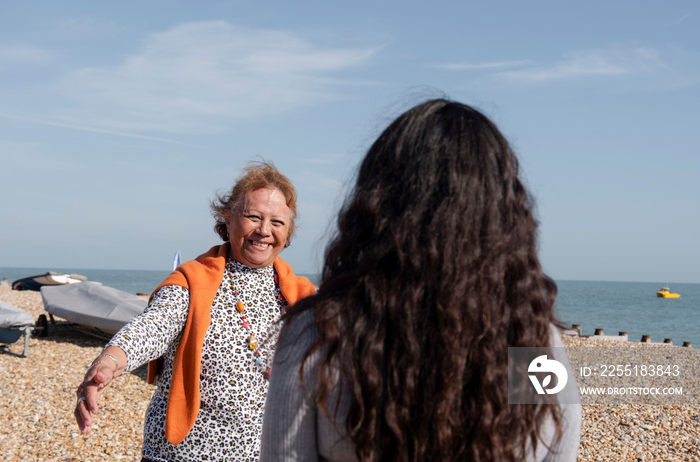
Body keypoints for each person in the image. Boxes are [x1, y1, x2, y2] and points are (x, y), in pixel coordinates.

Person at [260, 99, 582, 461]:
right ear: (503, 214)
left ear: (377, 203)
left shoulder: (318, 333)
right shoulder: (530, 338)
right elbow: (558, 451)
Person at [75, 161, 317, 461]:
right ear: (228, 220)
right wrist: (108, 362)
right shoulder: (193, 280)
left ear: (288, 231)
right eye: (253, 217)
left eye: (277, 222)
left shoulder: (305, 297)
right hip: (184, 454)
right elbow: (152, 327)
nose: (264, 231)